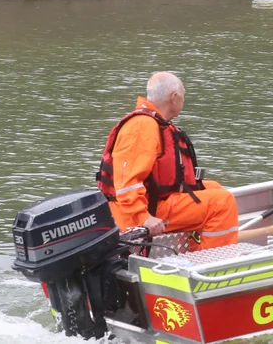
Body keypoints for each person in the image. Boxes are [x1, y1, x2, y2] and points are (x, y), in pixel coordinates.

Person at [96, 72, 239, 250]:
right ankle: (213, 263)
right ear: (174, 97)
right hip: (138, 212)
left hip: (154, 200)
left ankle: (197, 249)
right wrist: (144, 218)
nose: (183, 101)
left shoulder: (155, 123)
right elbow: (126, 184)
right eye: (183, 96)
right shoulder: (142, 127)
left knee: (213, 188)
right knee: (222, 203)